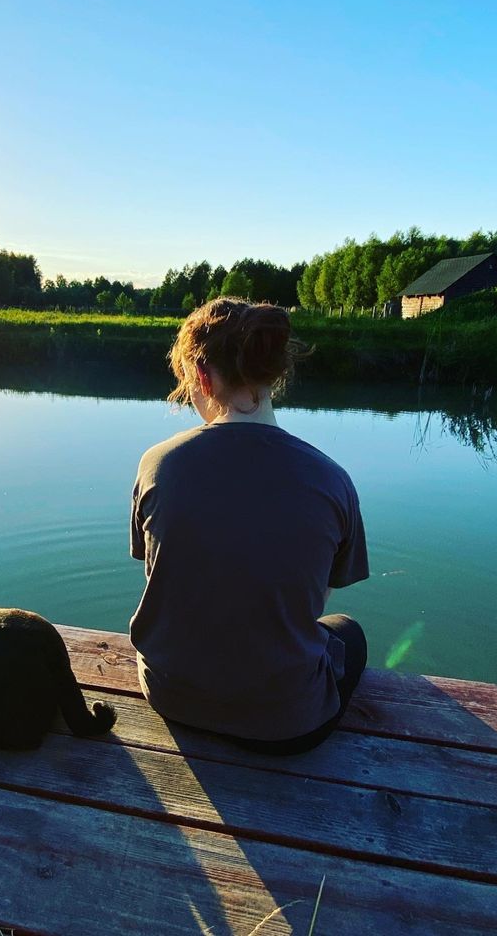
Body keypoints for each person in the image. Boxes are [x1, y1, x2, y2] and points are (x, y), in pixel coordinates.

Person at [129, 297, 369, 755]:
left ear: (201, 375)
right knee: (348, 630)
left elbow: (160, 572)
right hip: (287, 725)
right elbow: (314, 598)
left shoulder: (157, 464)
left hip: (169, 697)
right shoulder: (331, 479)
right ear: (276, 375)